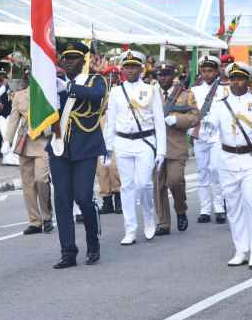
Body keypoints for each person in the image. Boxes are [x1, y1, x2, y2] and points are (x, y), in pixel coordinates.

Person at [206, 62, 252, 269]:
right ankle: (241, 249)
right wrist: (206, 125)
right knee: (234, 207)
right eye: (232, 79)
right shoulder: (219, 105)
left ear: (249, 81)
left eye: (240, 78)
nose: (235, 82)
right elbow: (210, 127)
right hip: (227, 161)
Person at [46, 41, 107, 269]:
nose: (70, 61)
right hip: (59, 147)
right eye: (66, 58)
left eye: (75, 58)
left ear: (83, 61)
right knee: (62, 200)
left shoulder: (94, 80)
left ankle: (93, 242)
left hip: (85, 149)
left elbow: (97, 94)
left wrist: (68, 89)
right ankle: (68, 251)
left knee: (83, 198)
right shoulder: (54, 84)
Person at [106, 50, 166, 245]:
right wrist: (106, 148)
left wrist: (161, 150)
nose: (130, 70)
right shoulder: (115, 91)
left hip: (145, 142)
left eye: (134, 67)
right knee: (127, 187)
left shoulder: (151, 89)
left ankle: (148, 218)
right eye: (126, 67)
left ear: (141, 68)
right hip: (122, 142)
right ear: (122, 69)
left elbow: (159, 121)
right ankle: (130, 229)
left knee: (144, 184)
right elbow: (110, 122)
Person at [1, 71, 53, 235]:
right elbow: (13, 118)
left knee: (41, 179)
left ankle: (47, 216)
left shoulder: (50, 93)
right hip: (25, 143)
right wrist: (7, 140)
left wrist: (48, 131)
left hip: (43, 141)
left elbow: (56, 117)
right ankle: (35, 221)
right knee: (28, 184)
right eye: (30, 75)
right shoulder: (20, 95)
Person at [152, 60, 200, 235]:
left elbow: (196, 117)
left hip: (175, 146)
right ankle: (164, 223)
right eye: (160, 75)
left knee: (175, 181)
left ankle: (181, 210)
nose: (163, 77)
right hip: (155, 147)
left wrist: (177, 120)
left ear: (173, 76)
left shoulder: (186, 95)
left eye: (167, 74)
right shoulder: (150, 94)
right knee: (158, 185)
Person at [189, 56, 228, 224]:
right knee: (202, 171)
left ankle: (219, 207)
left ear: (217, 71)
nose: (206, 74)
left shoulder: (224, 90)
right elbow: (190, 113)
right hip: (200, 135)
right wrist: (192, 133)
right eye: (204, 71)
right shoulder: (194, 90)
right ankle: (205, 209)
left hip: (218, 136)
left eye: (210, 71)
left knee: (216, 170)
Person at [98, 65, 122, 215]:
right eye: (107, 76)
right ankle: (107, 201)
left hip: (115, 135)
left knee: (114, 168)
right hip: (100, 135)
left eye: (113, 76)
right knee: (102, 170)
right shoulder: (100, 93)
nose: (109, 79)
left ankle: (119, 199)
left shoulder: (120, 92)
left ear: (118, 78)